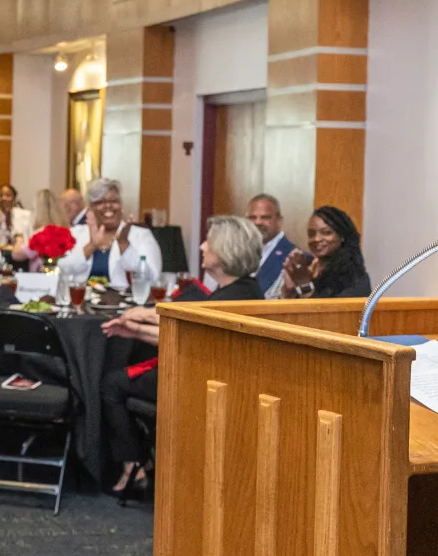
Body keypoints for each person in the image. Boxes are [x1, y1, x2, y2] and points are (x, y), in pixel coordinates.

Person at [99, 215, 263, 499]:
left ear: (225, 252)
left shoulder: (228, 299)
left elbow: (180, 337)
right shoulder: (243, 290)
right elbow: (183, 322)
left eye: (208, 243)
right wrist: (139, 321)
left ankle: (137, 463)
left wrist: (133, 329)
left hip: (199, 383)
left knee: (111, 384)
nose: (201, 247)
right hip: (209, 376)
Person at [69, 178, 162, 291]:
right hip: (81, 303)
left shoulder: (141, 235)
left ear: (121, 205)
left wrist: (124, 245)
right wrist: (92, 245)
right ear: (90, 208)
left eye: (114, 201)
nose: (108, 206)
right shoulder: (76, 233)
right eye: (100, 202)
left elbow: (153, 278)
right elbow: (64, 270)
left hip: (126, 305)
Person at [277, 206, 369, 299]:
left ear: (341, 236)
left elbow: (323, 312)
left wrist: (304, 284)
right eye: (311, 234)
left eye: (326, 232)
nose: (316, 239)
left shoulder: (355, 278)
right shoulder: (309, 271)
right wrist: (289, 290)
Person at [247, 194, 293, 296]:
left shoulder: (294, 256)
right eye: (252, 217)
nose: (258, 222)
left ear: (279, 221)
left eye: (265, 217)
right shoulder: (238, 252)